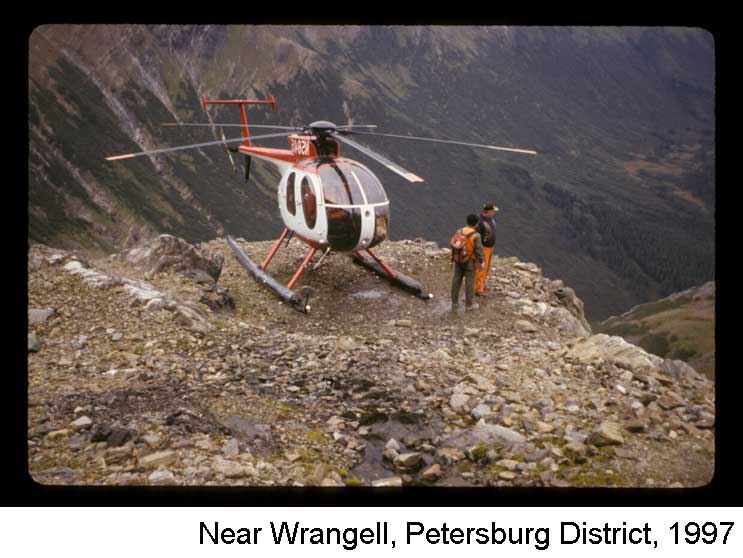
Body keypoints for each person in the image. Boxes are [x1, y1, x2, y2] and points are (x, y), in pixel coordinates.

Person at [451, 214, 484, 311]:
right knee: (470, 283)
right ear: (476, 223)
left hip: (458, 259)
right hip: (470, 262)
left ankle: (454, 303)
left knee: (456, 281)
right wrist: (481, 261)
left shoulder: (459, 231)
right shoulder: (476, 235)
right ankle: (469, 305)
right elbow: (478, 250)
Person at [475, 203, 498, 296]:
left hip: (490, 247)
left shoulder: (490, 220)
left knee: (487, 267)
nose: (494, 212)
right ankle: (478, 289)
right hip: (484, 248)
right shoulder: (480, 222)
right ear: (488, 211)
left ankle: (482, 284)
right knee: (481, 268)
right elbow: (477, 236)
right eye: (493, 211)